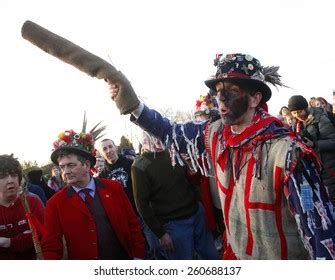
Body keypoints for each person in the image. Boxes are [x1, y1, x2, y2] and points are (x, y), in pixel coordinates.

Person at [107, 52, 335, 259]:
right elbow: (171, 132)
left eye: (233, 91)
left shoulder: (289, 154)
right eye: (218, 91)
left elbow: (319, 232)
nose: (221, 99)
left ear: (255, 99)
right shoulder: (215, 135)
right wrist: (132, 104)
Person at [41, 128, 145, 259]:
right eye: (62, 167)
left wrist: (138, 256)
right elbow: (51, 246)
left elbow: (132, 224)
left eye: (71, 165)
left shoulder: (113, 188)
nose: (65, 172)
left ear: (87, 165)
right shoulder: (54, 204)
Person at [131, 132, 218, 259]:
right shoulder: (140, 164)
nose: (157, 138)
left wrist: (200, 205)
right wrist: (161, 234)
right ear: (143, 139)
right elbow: (141, 204)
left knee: (211, 257)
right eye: (151, 134)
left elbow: (189, 180)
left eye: (157, 132)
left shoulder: (173, 151)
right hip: (174, 225)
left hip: (196, 214)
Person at [288, 95, 335, 204]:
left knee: (331, 200)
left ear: (306, 108)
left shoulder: (320, 118)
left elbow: (333, 141)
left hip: (327, 167)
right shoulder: (296, 124)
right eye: (294, 113)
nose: (297, 115)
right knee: (313, 203)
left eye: (299, 112)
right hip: (308, 168)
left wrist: (314, 145)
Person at [0, 154, 44, 259]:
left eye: (14, 175)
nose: (10, 180)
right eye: (2, 176)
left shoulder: (32, 202)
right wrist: (24, 238)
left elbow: (43, 235)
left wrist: (8, 242)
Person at [99, 139, 136, 211]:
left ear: (115, 147)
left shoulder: (131, 164)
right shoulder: (102, 176)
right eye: (104, 149)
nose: (108, 151)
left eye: (110, 147)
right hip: (120, 214)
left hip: (137, 212)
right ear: (101, 154)